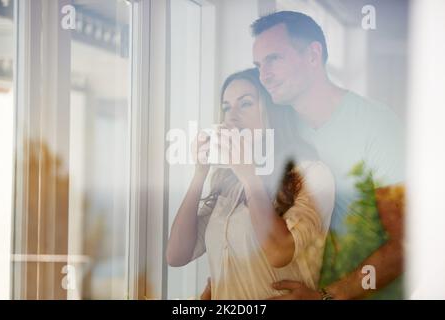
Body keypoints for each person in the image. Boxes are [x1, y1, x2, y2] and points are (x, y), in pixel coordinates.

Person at [251, 11, 405, 299]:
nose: (264, 75)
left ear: (312, 54)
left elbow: (405, 243)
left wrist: (327, 296)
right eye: (258, 65)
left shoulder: (377, 123)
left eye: (274, 59)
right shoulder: (274, 130)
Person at [166, 68, 335, 299]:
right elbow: (176, 255)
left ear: (273, 111)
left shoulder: (313, 175)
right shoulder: (227, 181)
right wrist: (200, 172)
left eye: (245, 104)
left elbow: (278, 252)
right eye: (226, 107)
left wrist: (249, 175)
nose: (231, 117)